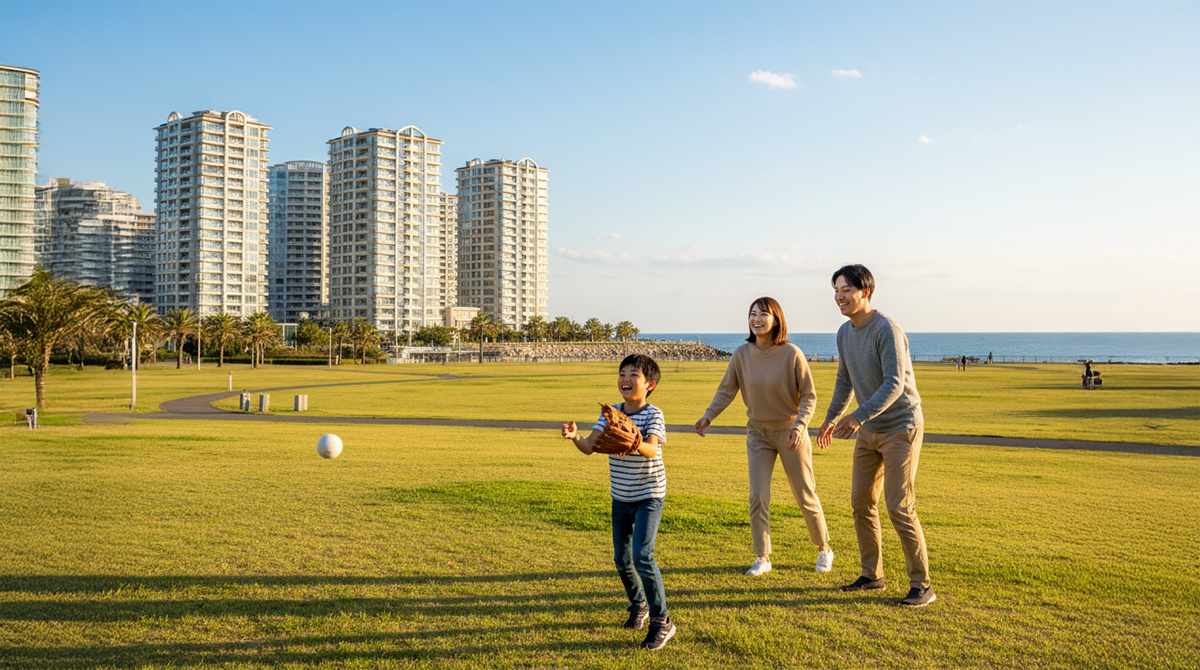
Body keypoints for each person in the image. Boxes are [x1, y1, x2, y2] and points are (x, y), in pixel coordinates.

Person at [816, 265, 936, 608]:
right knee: (861, 503)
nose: (840, 297)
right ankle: (872, 576)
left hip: (902, 428)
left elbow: (894, 383)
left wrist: (858, 416)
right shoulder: (844, 332)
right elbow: (844, 380)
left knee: (900, 506)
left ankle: (922, 585)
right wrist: (830, 419)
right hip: (869, 430)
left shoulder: (887, 330)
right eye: (836, 290)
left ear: (865, 292)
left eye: (846, 290)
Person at [695, 297, 833, 577]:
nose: (756, 319)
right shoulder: (741, 355)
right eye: (752, 314)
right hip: (757, 433)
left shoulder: (792, 353)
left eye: (763, 314)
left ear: (776, 320)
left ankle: (823, 548)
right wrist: (708, 415)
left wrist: (800, 425)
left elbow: (808, 395)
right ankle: (763, 557)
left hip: (790, 433)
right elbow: (726, 390)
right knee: (758, 496)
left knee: (804, 493)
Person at [561, 354, 676, 650]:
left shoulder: (654, 414)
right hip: (620, 496)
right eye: (622, 373)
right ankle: (639, 605)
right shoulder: (610, 412)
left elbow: (651, 449)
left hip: (649, 494)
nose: (625, 379)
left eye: (633, 374)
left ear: (649, 384)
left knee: (642, 556)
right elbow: (590, 447)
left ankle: (662, 622)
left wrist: (636, 442)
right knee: (621, 560)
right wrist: (575, 437)